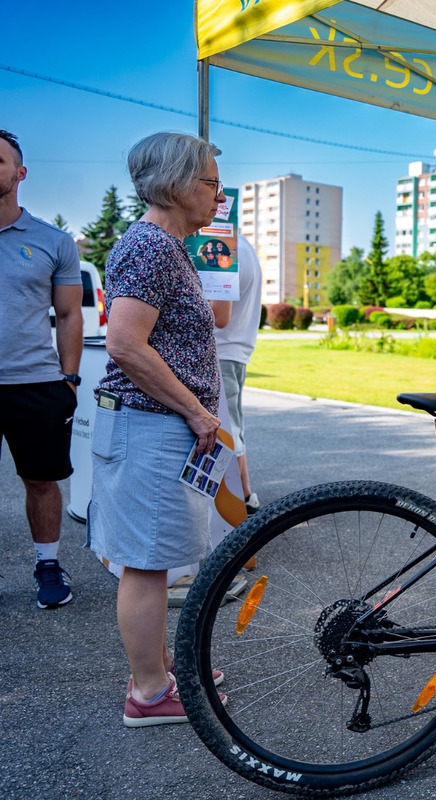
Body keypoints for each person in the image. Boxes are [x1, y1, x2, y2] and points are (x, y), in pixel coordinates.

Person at [88, 132, 226, 727]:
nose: (219, 196)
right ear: (176, 185)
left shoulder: (165, 246)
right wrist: (195, 410)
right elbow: (123, 343)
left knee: (151, 559)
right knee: (145, 564)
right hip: (149, 425)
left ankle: (158, 668)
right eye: (211, 183)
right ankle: (149, 693)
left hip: (149, 426)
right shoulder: (151, 246)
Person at [0, 129, 83, 610]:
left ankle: (48, 563)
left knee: (41, 481)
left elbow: (69, 315)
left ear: (20, 173)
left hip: (36, 384)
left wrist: (69, 380)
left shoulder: (53, 242)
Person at [214, 233, 263, 513]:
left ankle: (242, 500)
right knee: (232, 424)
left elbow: (220, 314)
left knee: (228, 427)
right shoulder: (243, 246)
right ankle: (245, 496)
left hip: (222, 349)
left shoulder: (224, 250)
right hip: (235, 350)